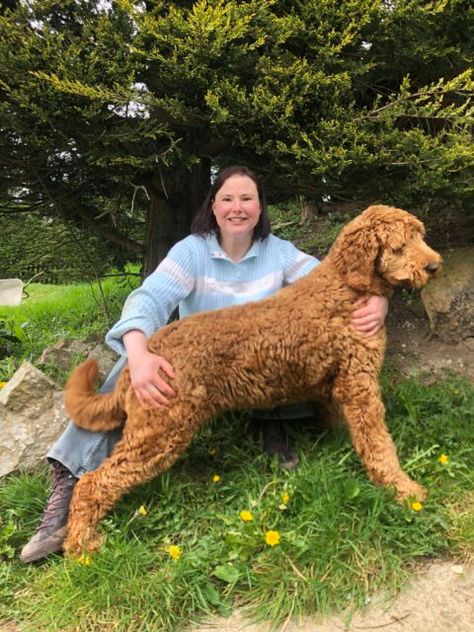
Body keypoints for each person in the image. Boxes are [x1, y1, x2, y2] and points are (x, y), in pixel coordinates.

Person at [20, 165, 388, 563]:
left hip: (252, 367)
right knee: (133, 361)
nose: (237, 207)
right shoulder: (192, 251)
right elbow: (149, 299)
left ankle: (272, 425)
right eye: (227, 199)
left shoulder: (279, 251)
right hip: (199, 364)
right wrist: (140, 354)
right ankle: (70, 477)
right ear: (213, 207)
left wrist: (378, 298)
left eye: (247, 198)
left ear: (260, 207)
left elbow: (337, 281)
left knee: (292, 347)